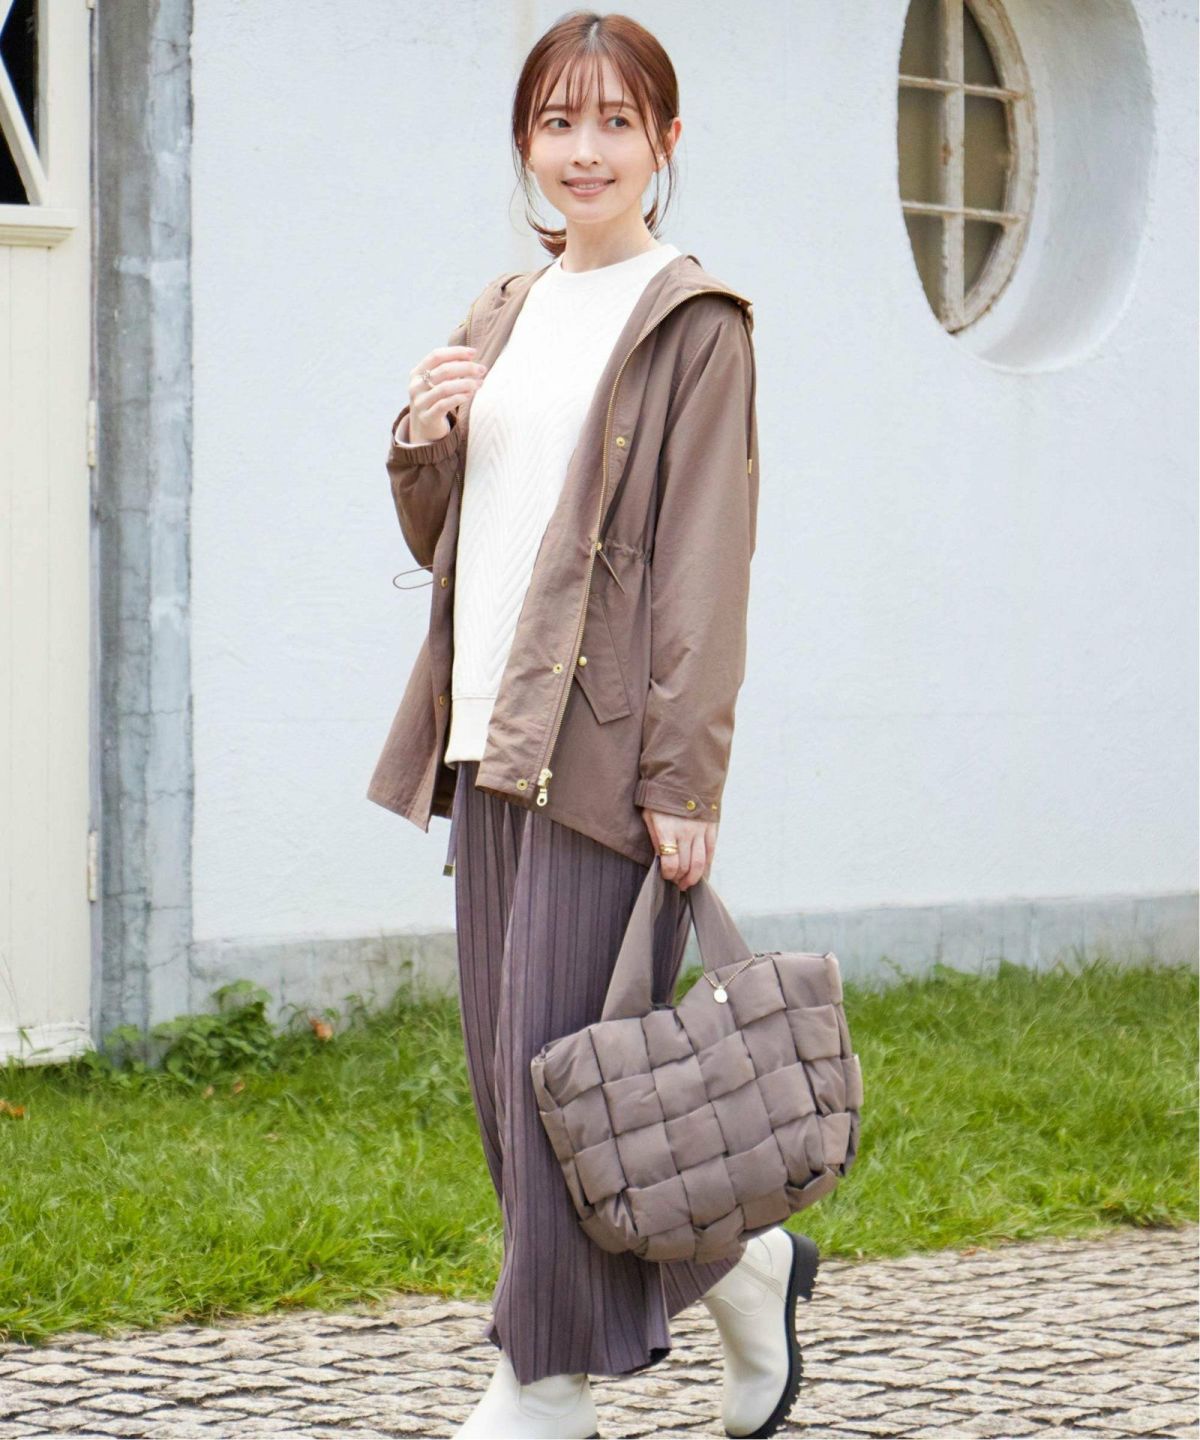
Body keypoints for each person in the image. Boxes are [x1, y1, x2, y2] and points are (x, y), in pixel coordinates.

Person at [366, 11, 818, 1439]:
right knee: (523, 1092)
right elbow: (446, 536)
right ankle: (745, 1266)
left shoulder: (695, 324)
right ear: (526, 140)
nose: (585, 149)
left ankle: (543, 1387)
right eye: (559, 121)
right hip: (486, 741)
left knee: (563, 1077)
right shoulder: (502, 309)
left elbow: (703, 563)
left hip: (607, 757)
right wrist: (425, 438)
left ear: (665, 143)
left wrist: (686, 778)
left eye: (617, 121)